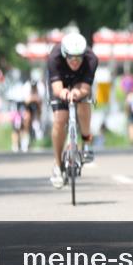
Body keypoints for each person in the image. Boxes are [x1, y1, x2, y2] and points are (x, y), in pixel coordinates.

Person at [47, 32, 98, 188]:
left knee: (83, 102)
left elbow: (86, 88)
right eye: (71, 58)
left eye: (78, 58)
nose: (75, 62)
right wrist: (64, 93)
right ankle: (57, 165)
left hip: (79, 82)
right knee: (60, 119)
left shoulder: (91, 59)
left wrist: (78, 93)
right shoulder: (54, 58)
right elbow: (56, 88)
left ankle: (86, 140)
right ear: (64, 54)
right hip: (61, 82)